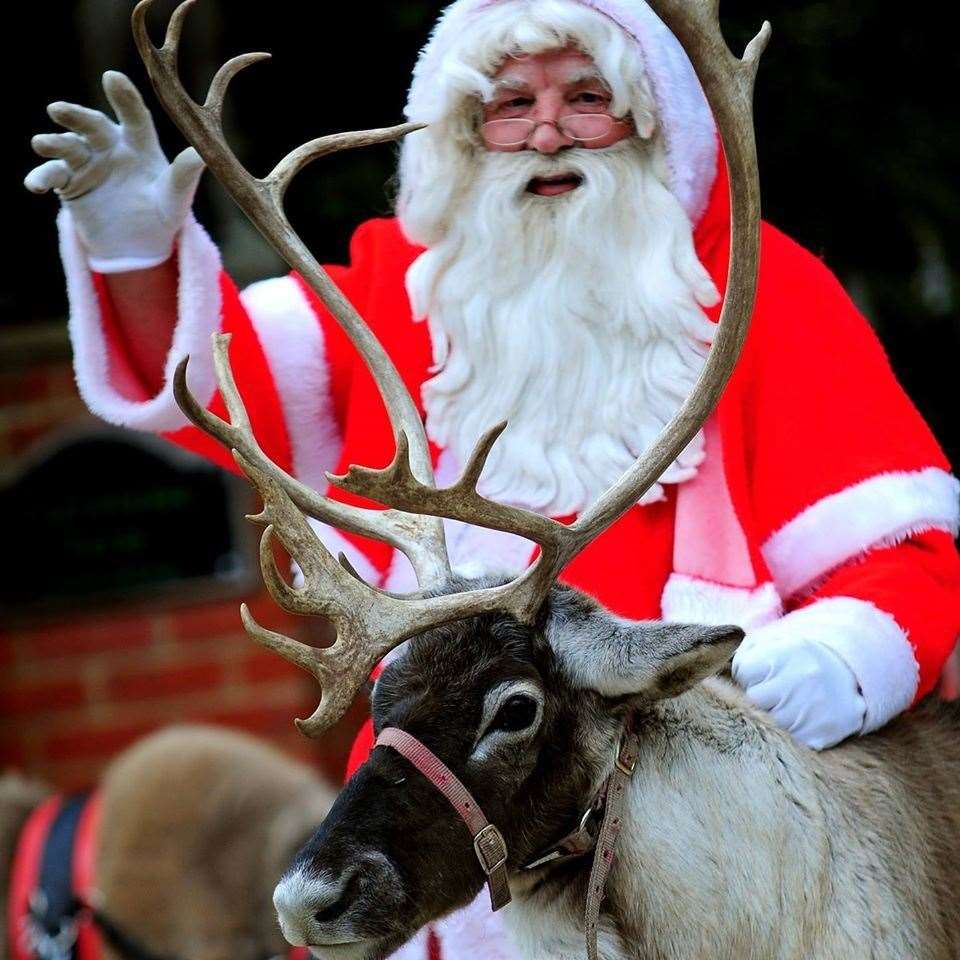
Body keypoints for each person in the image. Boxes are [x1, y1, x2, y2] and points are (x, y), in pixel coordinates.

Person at [26, 0, 960, 956]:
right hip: (444, 827)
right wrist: (135, 246)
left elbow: (900, 551)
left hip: (707, 848)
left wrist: (837, 659)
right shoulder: (403, 291)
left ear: (650, 118)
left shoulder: (760, 293)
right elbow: (224, 393)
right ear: (465, 131)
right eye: (511, 104)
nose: (548, 131)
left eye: (587, 98)